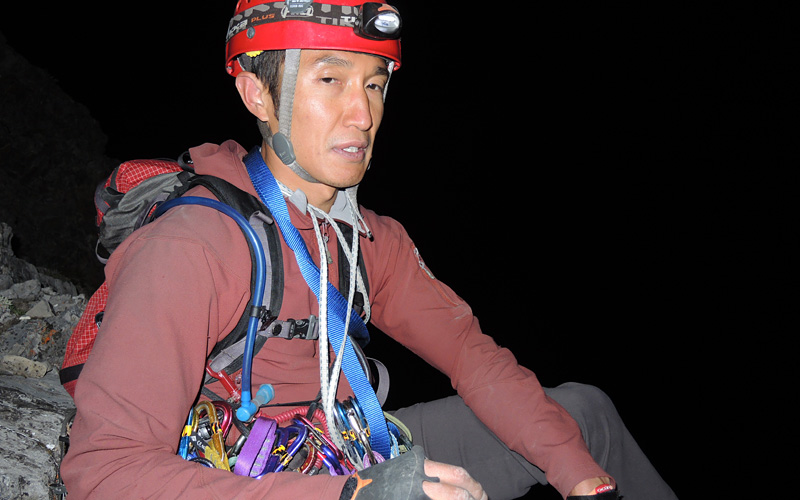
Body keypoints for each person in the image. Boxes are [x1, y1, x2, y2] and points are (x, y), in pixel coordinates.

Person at [60, 1, 678, 499]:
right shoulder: (193, 244)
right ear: (257, 95)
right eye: (330, 80)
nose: (363, 114)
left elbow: (472, 358)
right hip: (242, 474)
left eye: (375, 85)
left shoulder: (368, 238)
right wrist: (360, 496)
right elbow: (106, 474)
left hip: (346, 444)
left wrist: (580, 478)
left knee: (583, 416)